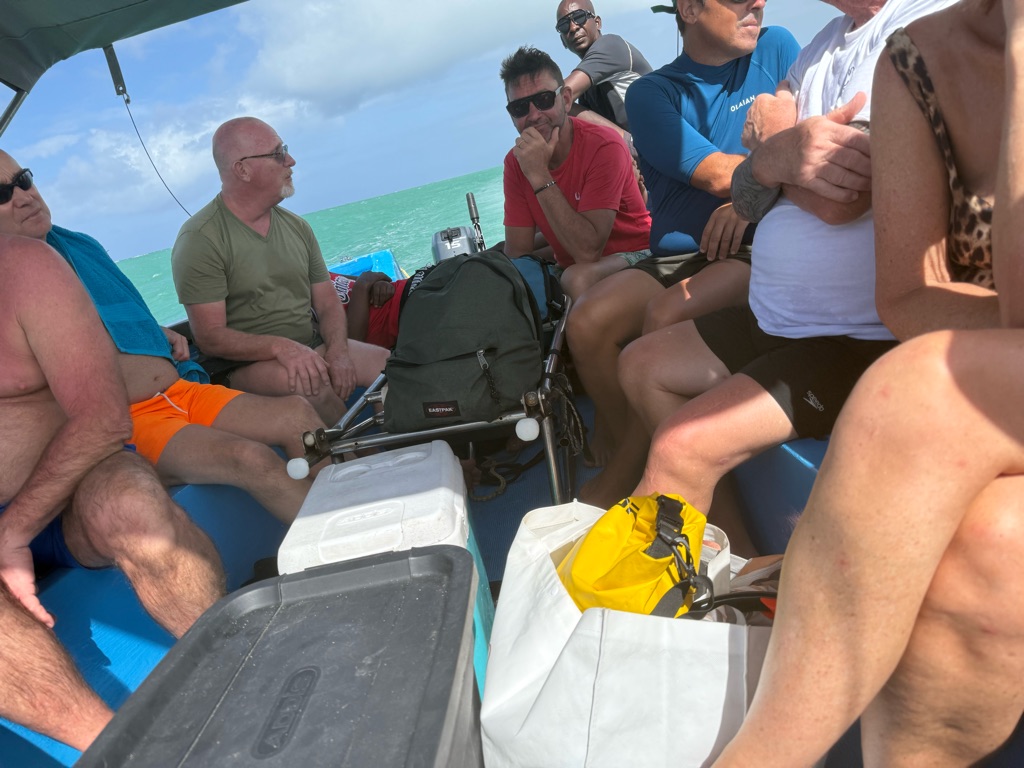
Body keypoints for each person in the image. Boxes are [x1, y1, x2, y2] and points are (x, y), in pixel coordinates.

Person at [715, 4, 1024, 762]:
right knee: (989, 549)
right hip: (945, 364)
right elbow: (910, 295)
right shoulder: (911, 58)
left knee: (905, 390)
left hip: (886, 361)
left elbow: (838, 194)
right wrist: (772, 158)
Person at [612, 0, 955, 528]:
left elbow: (846, 195)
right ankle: (741, 555)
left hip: (854, 338)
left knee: (679, 445)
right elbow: (747, 195)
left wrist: (770, 154)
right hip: (775, 318)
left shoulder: (923, 21)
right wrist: (778, 160)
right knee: (640, 364)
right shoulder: (817, 49)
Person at [0, 152, 323, 523]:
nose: (24, 196)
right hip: (127, 423)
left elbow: (113, 315)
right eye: (2, 194)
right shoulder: (12, 288)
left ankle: (364, 517)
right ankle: (336, 547)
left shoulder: (80, 247)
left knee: (297, 415)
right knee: (249, 457)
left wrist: (151, 333)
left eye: (24, 180)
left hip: (178, 389)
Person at [0, 233, 224, 751]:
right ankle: (126, 755)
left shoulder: (25, 268)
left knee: (131, 505)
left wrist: (13, 531)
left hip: (70, 487)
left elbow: (103, 420)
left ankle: (240, 672)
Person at [568, 0, 799, 500]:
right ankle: (631, 443)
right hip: (679, 254)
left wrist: (749, 199)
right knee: (585, 322)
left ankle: (631, 468)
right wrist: (761, 178)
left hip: (748, 245)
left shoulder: (776, 48)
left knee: (665, 313)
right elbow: (716, 174)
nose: (758, 3)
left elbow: (806, 140)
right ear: (689, 9)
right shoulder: (654, 93)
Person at [171, 117, 391, 425]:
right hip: (241, 366)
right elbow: (210, 338)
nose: (291, 160)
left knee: (389, 366)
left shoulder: (297, 227)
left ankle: (403, 445)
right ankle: (365, 453)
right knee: (309, 382)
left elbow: (327, 303)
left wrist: (338, 352)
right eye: (278, 153)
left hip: (309, 345)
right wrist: (281, 347)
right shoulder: (200, 239)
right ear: (243, 170)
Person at [500, 46, 652, 300]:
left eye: (544, 100)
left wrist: (539, 175)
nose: (534, 115)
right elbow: (518, 254)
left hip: (640, 255)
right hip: (572, 267)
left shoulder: (603, 145)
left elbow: (588, 252)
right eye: (520, 108)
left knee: (577, 277)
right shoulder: (516, 163)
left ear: (566, 99)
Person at [555, 0, 652, 134]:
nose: (573, 28)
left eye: (579, 17)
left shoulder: (611, 45)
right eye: (564, 25)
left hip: (659, 138)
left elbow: (557, 97)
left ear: (597, 23)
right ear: (563, 41)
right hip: (643, 142)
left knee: (558, 103)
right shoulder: (588, 89)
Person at [331, 270, 407, 349]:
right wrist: (362, 286)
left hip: (404, 288)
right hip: (400, 317)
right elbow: (350, 347)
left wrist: (379, 284)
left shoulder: (323, 277)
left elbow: (371, 279)